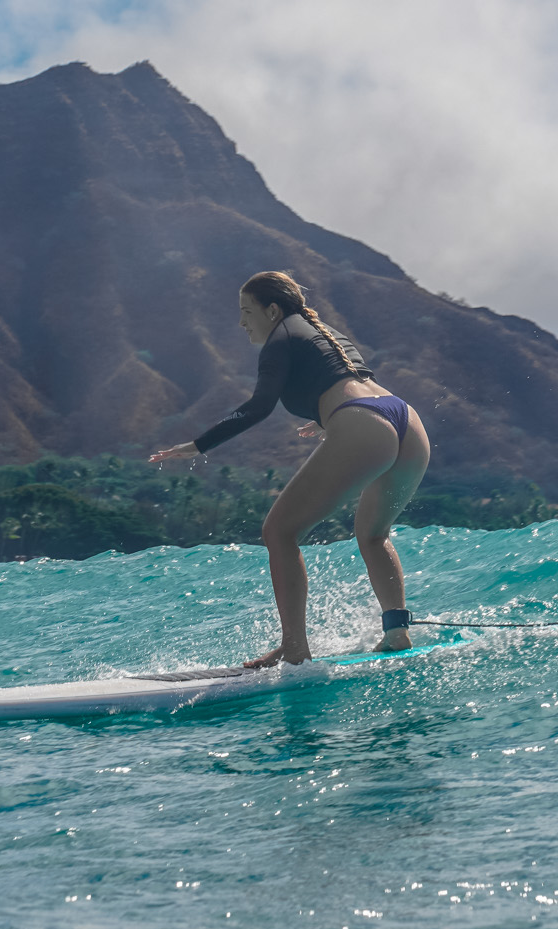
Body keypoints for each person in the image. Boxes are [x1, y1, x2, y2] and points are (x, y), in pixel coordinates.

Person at [148, 271, 431, 666]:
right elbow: (348, 381)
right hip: (405, 421)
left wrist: (197, 445)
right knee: (372, 534)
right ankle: (397, 630)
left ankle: (294, 647)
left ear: (273, 310)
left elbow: (258, 406)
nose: (243, 322)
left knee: (279, 532)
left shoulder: (280, 338)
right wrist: (325, 419)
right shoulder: (322, 330)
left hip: (364, 424)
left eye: (248, 312)